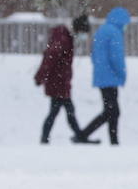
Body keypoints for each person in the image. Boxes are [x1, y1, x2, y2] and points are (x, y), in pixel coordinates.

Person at [33, 14, 96, 144]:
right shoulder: (63, 39)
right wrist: (40, 77)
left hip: (60, 82)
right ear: (78, 29)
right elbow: (50, 58)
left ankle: (76, 136)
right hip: (58, 82)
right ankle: (76, 136)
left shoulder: (65, 36)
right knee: (61, 112)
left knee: (64, 111)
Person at [80, 7, 130, 145]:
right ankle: (84, 135)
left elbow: (93, 54)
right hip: (111, 77)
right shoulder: (114, 33)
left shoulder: (102, 31)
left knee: (111, 111)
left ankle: (110, 140)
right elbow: (116, 57)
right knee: (112, 112)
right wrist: (122, 73)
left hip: (101, 76)